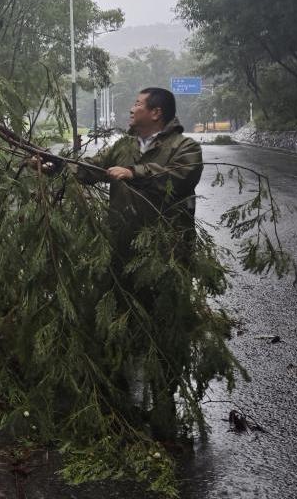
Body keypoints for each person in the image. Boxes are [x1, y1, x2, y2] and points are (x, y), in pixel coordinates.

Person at [35, 87, 203, 438]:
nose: (131, 109)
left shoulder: (185, 147)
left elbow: (182, 177)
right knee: (120, 314)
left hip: (166, 252)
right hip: (122, 248)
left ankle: (164, 397)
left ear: (156, 113)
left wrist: (135, 173)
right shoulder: (123, 148)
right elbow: (91, 170)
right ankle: (115, 392)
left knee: (163, 321)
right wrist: (54, 166)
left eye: (137, 104)